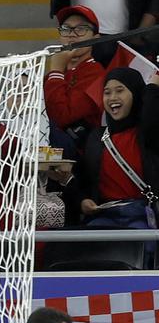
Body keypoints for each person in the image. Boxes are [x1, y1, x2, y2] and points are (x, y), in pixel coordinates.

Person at [67, 67, 159, 232]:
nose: (112, 98)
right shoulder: (95, 137)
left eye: (120, 90)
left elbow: (152, 118)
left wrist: (152, 88)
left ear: (136, 94)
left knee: (141, 242)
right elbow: (84, 180)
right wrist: (82, 200)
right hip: (104, 215)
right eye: (107, 92)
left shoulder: (148, 135)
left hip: (142, 215)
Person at [44, 6, 106, 156]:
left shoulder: (96, 73)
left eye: (81, 29)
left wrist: (56, 70)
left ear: (95, 38)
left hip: (77, 154)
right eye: (66, 29)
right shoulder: (55, 73)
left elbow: (62, 118)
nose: (72, 34)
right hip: (46, 149)